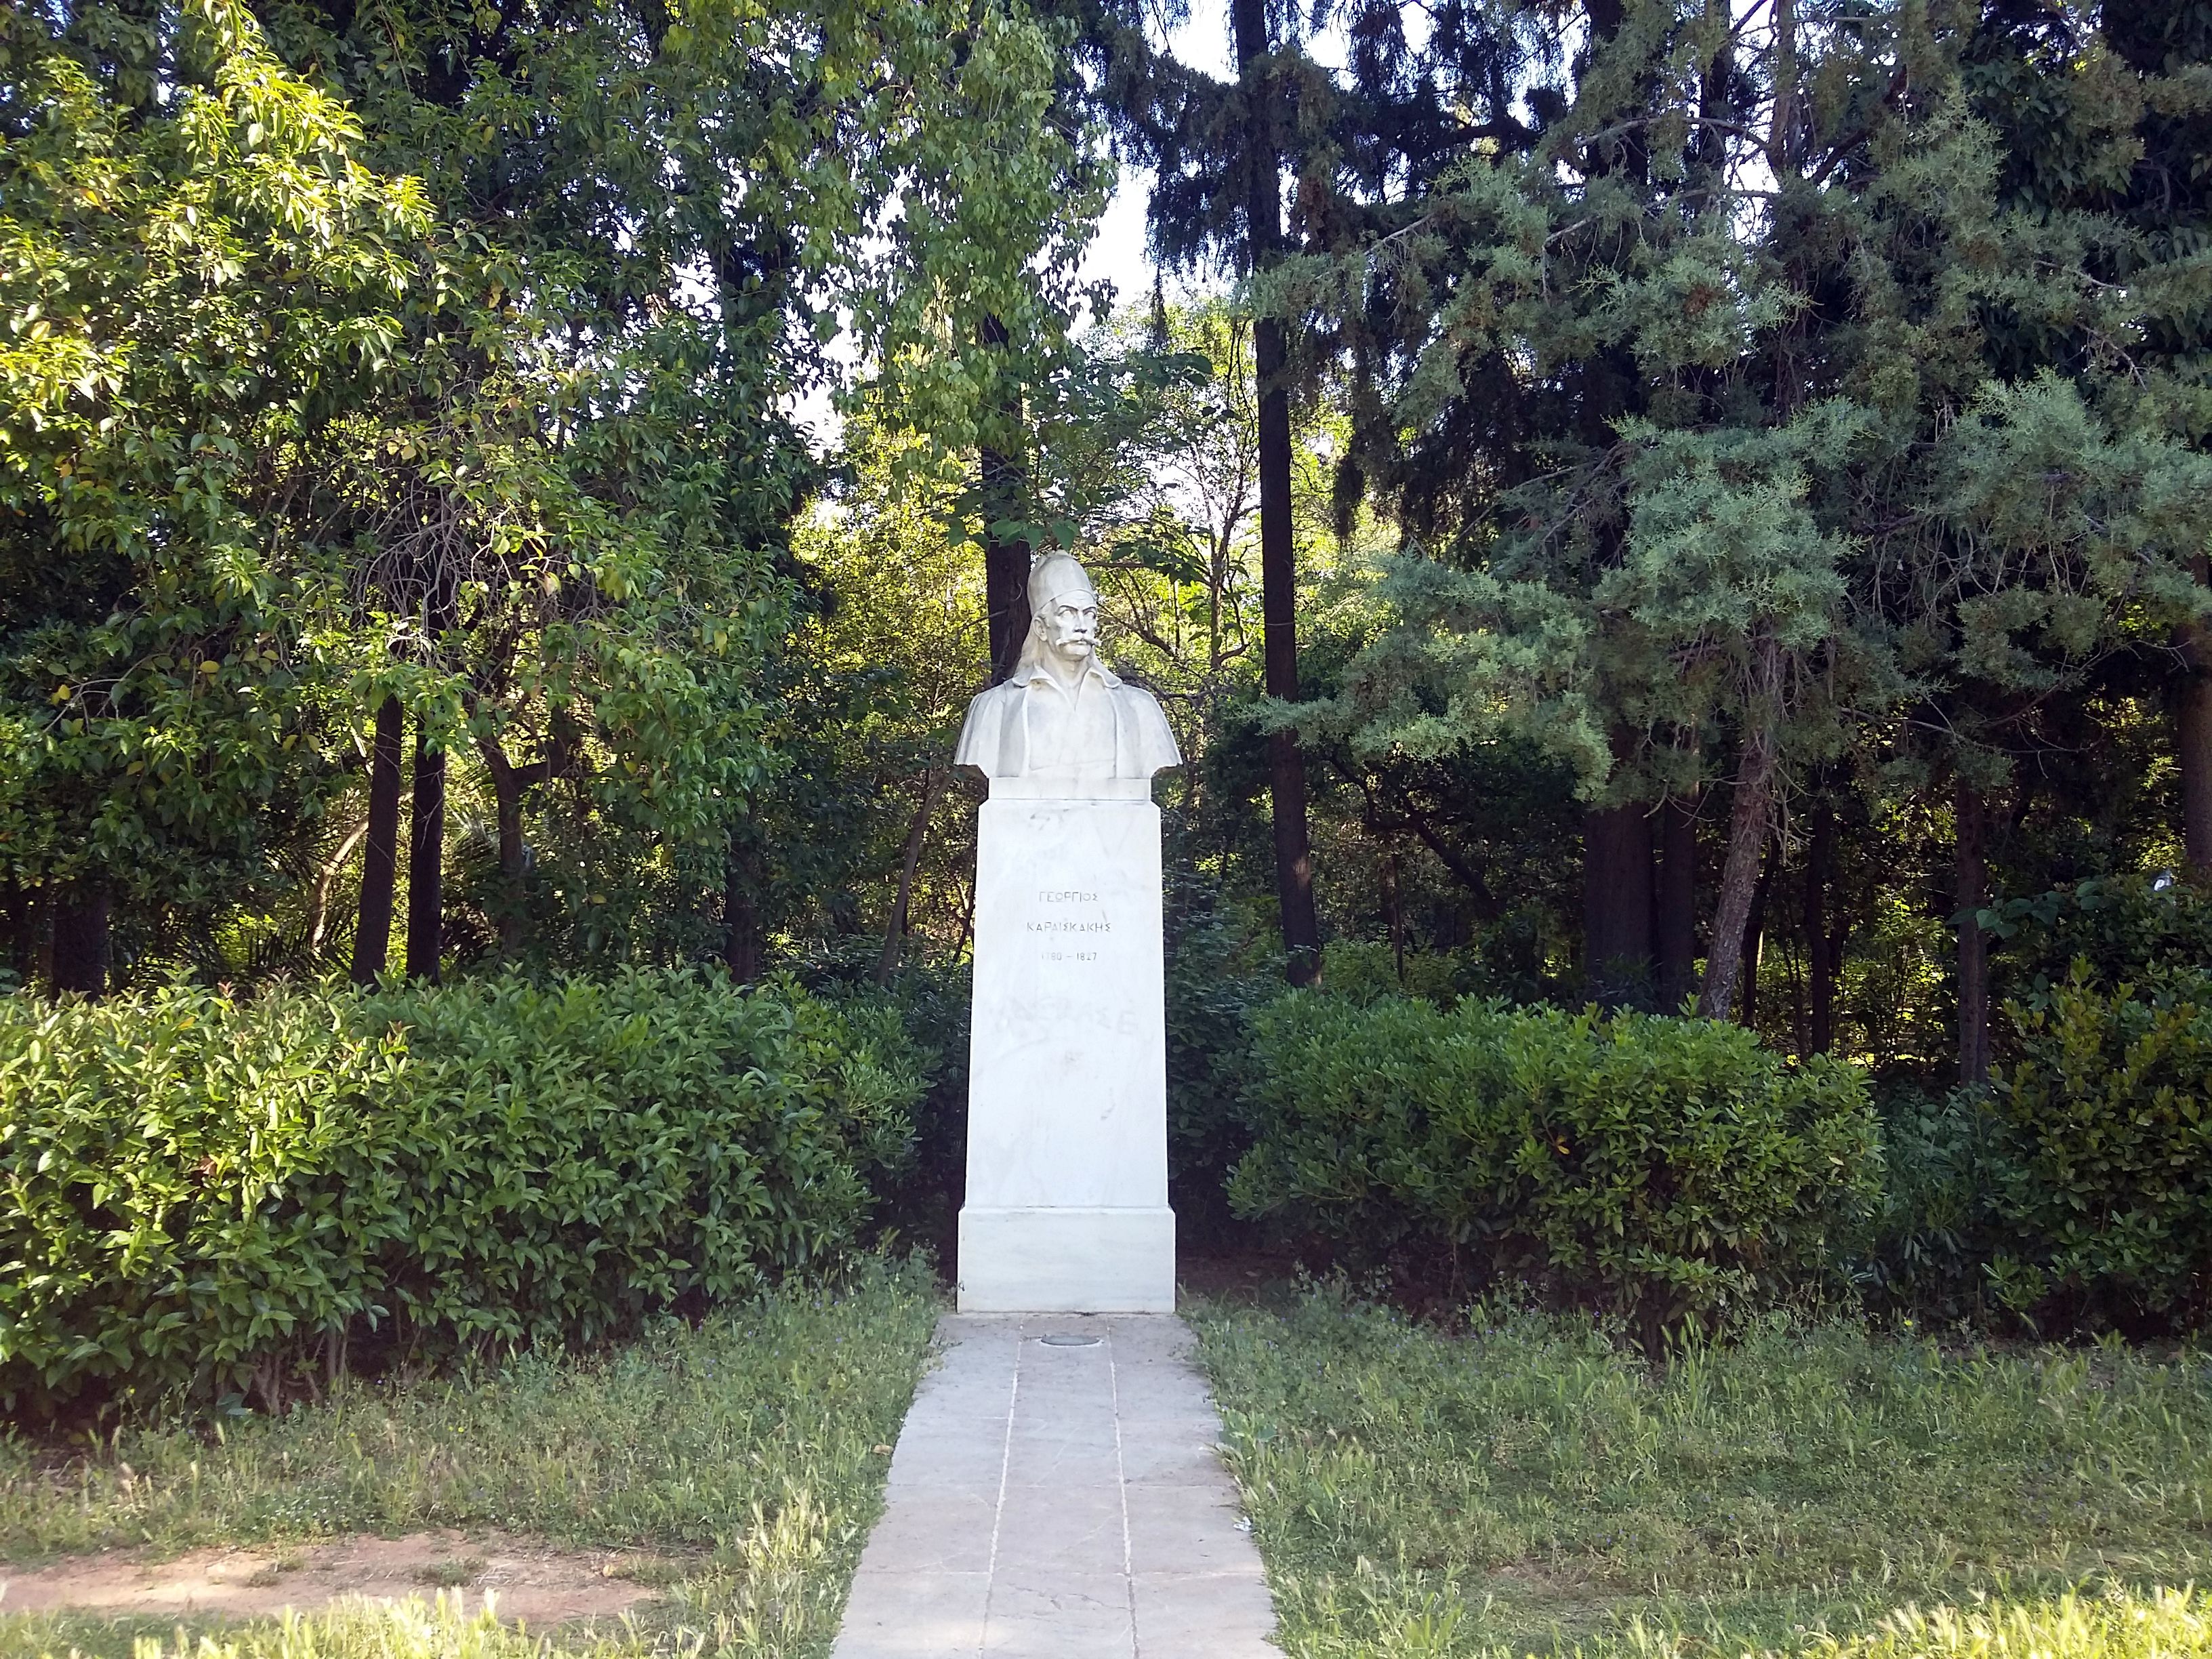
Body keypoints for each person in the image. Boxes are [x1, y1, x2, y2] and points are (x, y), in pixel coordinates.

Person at [955, 552, 1180, 786]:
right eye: (1067, 613)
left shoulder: (1140, 708)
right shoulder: (993, 708)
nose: (1082, 626)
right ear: (1041, 628)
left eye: (1089, 615)